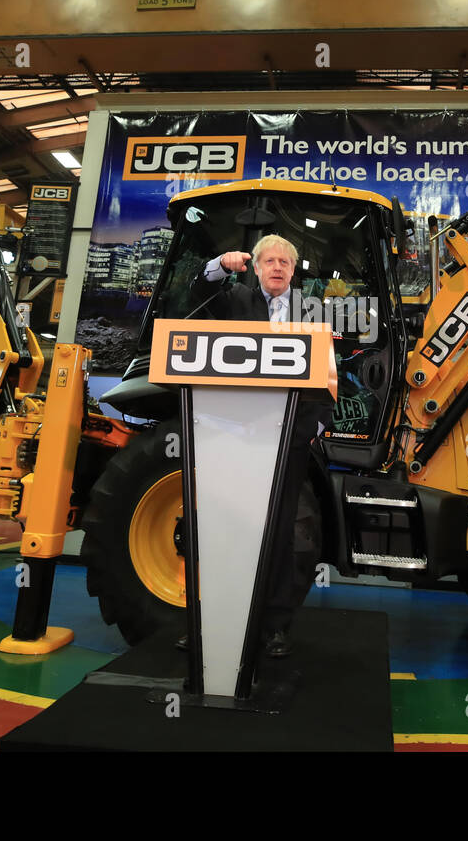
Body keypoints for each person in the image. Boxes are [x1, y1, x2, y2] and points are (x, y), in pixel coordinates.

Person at [182, 234, 332, 658]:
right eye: (270, 260)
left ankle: (274, 627)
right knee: (225, 530)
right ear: (258, 267)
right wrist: (220, 265)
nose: (278, 267)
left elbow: (326, 375)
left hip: (288, 442)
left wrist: (312, 429)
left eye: (285, 261)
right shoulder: (235, 300)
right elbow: (199, 292)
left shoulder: (311, 312)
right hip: (235, 436)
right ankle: (206, 623)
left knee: (280, 533)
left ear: (293, 269)